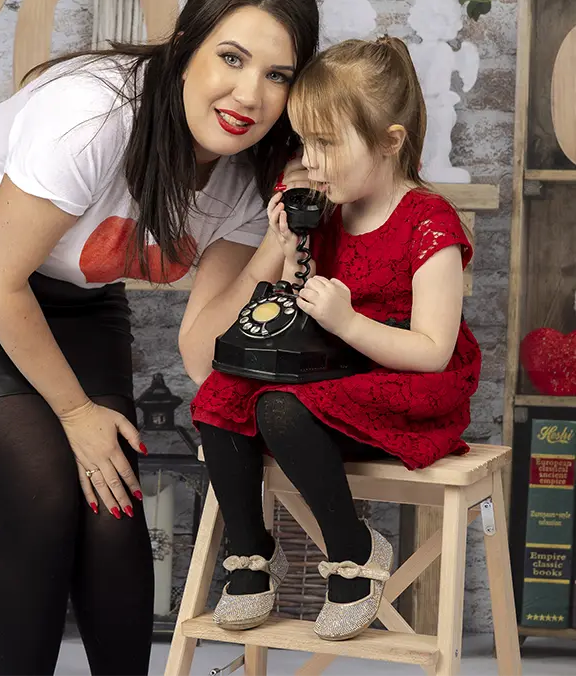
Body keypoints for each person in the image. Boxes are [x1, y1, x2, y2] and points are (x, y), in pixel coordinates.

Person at [0, 0, 320, 676]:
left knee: (112, 504)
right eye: (231, 59)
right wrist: (74, 414)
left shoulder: (247, 173)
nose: (249, 96)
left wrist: (272, 238)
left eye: (276, 76)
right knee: (45, 487)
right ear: (185, 49)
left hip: (70, 296)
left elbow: (205, 352)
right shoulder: (95, 111)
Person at [190, 36, 481, 641]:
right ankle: (248, 557)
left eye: (326, 144)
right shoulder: (324, 209)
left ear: (389, 142)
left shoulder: (428, 223)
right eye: (304, 142)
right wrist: (286, 244)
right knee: (218, 399)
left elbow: (433, 350)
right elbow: (284, 308)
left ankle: (352, 556)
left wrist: (349, 323)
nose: (311, 160)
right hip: (329, 368)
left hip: (404, 380)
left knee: (281, 408)